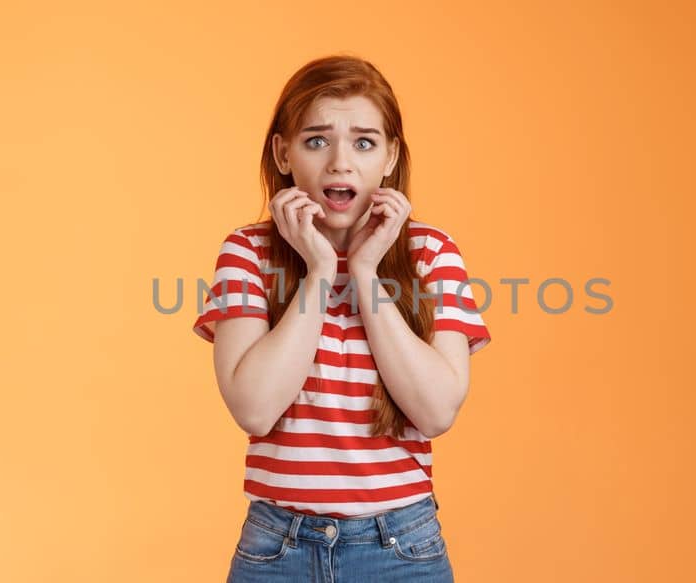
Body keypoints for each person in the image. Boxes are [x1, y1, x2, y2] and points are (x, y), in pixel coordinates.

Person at [191, 55, 491, 582]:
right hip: (275, 550)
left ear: (390, 156)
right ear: (283, 153)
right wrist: (320, 271)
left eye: (364, 142)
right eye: (316, 140)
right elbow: (255, 410)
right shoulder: (247, 252)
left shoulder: (431, 252)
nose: (340, 162)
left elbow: (437, 411)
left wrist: (369, 272)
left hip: (401, 550)